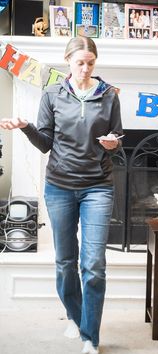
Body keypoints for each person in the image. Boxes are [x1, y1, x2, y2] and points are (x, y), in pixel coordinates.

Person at [0, 36, 123, 354]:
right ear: (68, 61)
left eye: (91, 63)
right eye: (80, 62)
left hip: (98, 185)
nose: (85, 69)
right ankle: (74, 314)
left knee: (94, 263)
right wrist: (26, 126)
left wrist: (113, 143)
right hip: (59, 187)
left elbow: (117, 134)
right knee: (65, 261)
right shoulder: (52, 93)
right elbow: (45, 143)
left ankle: (90, 337)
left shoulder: (109, 95)